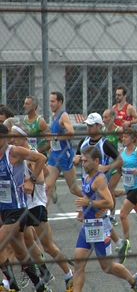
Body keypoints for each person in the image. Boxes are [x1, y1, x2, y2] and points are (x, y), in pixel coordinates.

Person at [9, 123, 74, 290]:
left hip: (35, 205)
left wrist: (31, 180)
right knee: (23, 242)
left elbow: (44, 176)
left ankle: (69, 275)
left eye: (15, 136)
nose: (12, 140)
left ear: (23, 137)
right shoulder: (18, 154)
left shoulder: (32, 156)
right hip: (23, 205)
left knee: (48, 246)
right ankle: (35, 275)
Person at [72, 146, 137, 292]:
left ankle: (133, 280)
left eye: (86, 161)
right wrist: (84, 211)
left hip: (100, 227)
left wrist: (89, 203)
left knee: (107, 267)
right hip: (87, 226)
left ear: (96, 161)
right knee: (79, 264)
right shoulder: (86, 177)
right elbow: (89, 198)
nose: (83, 164)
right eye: (83, 161)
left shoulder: (99, 179)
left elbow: (109, 203)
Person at [0, 123, 51, 292]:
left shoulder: (13, 151)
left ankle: (12, 286)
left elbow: (41, 158)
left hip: (18, 209)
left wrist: (32, 179)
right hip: (3, 209)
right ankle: (41, 287)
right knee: (21, 254)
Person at [73, 113, 128, 264]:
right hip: (87, 185)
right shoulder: (83, 142)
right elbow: (76, 159)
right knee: (94, 218)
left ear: (99, 126)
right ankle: (119, 243)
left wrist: (107, 167)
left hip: (100, 186)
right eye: (87, 125)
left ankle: (112, 246)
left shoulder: (105, 143)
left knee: (99, 217)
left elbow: (120, 160)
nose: (88, 128)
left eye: (91, 125)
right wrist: (75, 160)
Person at [45, 91, 81, 207]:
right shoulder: (53, 116)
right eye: (50, 101)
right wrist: (52, 145)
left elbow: (71, 133)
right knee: (47, 187)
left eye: (53, 101)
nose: (51, 104)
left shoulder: (63, 115)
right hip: (55, 156)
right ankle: (41, 219)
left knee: (74, 189)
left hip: (65, 156)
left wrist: (55, 138)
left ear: (60, 102)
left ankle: (95, 202)